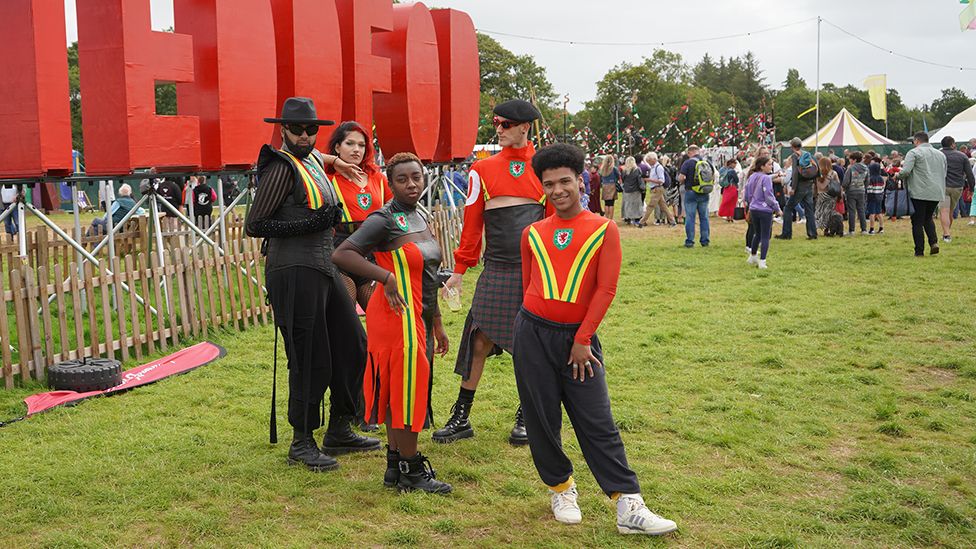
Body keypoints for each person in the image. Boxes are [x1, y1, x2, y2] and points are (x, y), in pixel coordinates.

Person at [515, 143, 678, 536]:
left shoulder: (603, 228)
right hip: (531, 334)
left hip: (580, 341)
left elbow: (606, 289)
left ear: (580, 180)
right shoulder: (532, 232)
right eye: (549, 184)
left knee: (597, 419)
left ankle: (628, 505)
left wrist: (583, 337)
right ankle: (561, 488)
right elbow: (527, 285)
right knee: (541, 420)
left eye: (565, 181)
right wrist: (529, 332)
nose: (558, 190)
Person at [245, 97, 379, 471]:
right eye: (297, 129)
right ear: (283, 130)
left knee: (353, 342)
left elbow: (320, 158)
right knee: (309, 358)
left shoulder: (311, 160)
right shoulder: (280, 168)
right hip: (293, 270)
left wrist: (337, 161)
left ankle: (340, 427)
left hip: (322, 265)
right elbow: (254, 225)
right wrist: (313, 221)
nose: (305, 135)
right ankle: (301, 441)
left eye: (311, 130)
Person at [332, 152, 452, 494]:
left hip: (419, 315)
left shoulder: (419, 216)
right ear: (390, 183)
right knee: (406, 391)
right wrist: (385, 276)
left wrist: (437, 324)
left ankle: (396, 465)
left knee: (400, 389)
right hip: (397, 317)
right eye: (402, 179)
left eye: (416, 177)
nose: (411, 184)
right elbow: (342, 254)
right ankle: (412, 471)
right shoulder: (383, 218)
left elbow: (427, 277)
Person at [436, 99, 549, 446]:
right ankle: (461, 416)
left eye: (506, 124)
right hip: (497, 267)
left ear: (525, 127)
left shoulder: (545, 167)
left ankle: (526, 415)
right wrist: (458, 270)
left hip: (535, 269)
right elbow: (471, 227)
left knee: (531, 345)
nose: (498, 130)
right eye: (497, 123)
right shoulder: (480, 170)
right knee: (478, 339)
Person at [324, 121, 393, 311]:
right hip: (340, 251)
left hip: (372, 253)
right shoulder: (327, 180)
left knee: (381, 313)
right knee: (345, 315)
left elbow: (396, 213)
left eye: (361, 145)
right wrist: (333, 161)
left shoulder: (378, 178)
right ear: (337, 147)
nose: (356, 149)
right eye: (350, 143)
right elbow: (300, 159)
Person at [896, 132, 947, 257]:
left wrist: (897, 175)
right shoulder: (940, 154)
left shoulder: (913, 153)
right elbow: (944, 172)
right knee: (928, 218)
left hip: (919, 191)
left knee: (917, 222)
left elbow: (906, 171)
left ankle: (919, 251)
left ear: (916, 141)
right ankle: (933, 242)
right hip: (936, 191)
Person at [776, 137, 818, 240]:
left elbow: (795, 172)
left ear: (792, 146)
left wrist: (793, 188)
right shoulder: (809, 155)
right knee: (809, 211)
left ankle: (786, 234)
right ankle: (812, 233)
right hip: (809, 185)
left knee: (787, 208)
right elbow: (817, 169)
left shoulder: (795, 156)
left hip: (799, 187)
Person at [744, 156, 782, 269]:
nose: (771, 166)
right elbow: (769, 196)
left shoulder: (752, 177)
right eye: (769, 164)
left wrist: (751, 203)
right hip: (765, 210)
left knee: (757, 233)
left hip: (754, 208)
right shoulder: (765, 179)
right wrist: (777, 208)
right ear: (762, 166)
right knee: (765, 236)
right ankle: (763, 261)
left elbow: (746, 193)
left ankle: (753, 255)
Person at [938, 136, 975, 243]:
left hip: (943, 186)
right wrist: (971, 189)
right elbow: (969, 174)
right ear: (953, 144)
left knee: (944, 210)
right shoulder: (962, 156)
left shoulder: (939, 155)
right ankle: (947, 233)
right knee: (950, 210)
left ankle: (946, 235)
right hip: (957, 187)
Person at [677, 145, 712, 248]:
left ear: (689, 153)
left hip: (691, 191)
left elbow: (681, 177)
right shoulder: (707, 162)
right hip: (704, 191)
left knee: (690, 217)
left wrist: (683, 180)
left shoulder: (688, 163)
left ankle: (690, 241)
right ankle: (705, 240)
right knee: (704, 217)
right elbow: (713, 175)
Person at [638, 152, 674, 227]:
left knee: (651, 206)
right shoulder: (653, 167)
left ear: (654, 159)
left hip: (658, 188)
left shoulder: (659, 168)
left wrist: (649, 180)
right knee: (663, 206)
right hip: (655, 188)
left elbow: (661, 180)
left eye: (649, 160)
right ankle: (672, 220)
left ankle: (642, 221)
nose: (648, 162)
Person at [815, 157, 844, 237]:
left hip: (821, 195)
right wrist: (840, 196)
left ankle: (816, 228)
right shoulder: (833, 173)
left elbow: (818, 186)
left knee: (819, 212)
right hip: (831, 195)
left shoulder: (818, 173)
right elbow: (838, 185)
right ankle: (827, 229)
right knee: (829, 212)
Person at [842, 151, 868, 236]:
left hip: (851, 191)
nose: (849, 161)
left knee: (852, 211)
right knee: (861, 210)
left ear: (854, 160)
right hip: (861, 190)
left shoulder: (850, 168)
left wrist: (845, 188)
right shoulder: (866, 168)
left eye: (850, 159)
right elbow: (867, 181)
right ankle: (864, 229)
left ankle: (851, 230)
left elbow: (845, 182)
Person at [619, 156, 644, 225]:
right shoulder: (637, 170)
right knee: (636, 205)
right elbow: (639, 180)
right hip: (635, 190)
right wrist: (642, 188)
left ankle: (628, 217)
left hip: (627, 190)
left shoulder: (624, 171)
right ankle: (636, 218)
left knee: (628, 204)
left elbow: (623, 180)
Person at [866, 156, 886, 234]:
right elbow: (882, 188)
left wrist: (868, 195)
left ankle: (872, 228)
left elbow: (869, 189)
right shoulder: (881, 178)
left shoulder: (870, 179)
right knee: (879, 212)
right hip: (879, 196)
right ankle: (881, 228)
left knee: (872, 213)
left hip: (872, 197)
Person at [598, 155, 620, 221]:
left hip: (605, 185)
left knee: (606, 203)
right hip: (612, 185)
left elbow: (600, 177)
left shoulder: (602, 169)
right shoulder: (614, 168)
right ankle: (611, 218)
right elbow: (618, 176)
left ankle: (606, 217)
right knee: (611, 203)